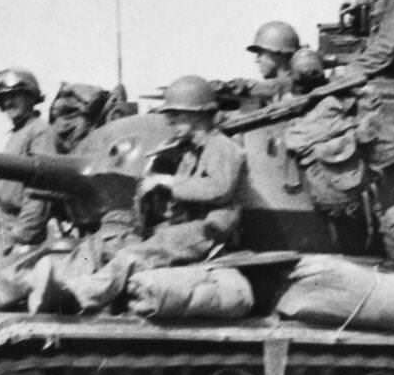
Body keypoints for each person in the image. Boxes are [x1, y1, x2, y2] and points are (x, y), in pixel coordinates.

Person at [30, 75, 246, 312]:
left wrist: (167, 182)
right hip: (178, 229)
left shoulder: (224, 148)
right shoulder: (189, 154)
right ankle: (58, 279)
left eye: (176, 115)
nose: (169, 121)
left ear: (197, 115)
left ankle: (76, 296)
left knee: (133, 256)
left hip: (207, 232)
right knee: (99, 246)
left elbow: (220, 189)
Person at [0, 67, 60, 251]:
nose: (9, 102)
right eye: (4, 98)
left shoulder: (39, 132)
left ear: (30, 97)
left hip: (16, 227)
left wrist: (22, 237)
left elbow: (42, 190)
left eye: (15, 96)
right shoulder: (18, 133)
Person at [216, 20, 301, 110]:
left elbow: (268, 87)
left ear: (278, 53)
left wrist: (223, 88)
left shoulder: (293, 84)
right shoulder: (278, 88)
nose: (257, 60)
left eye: (260, 54)